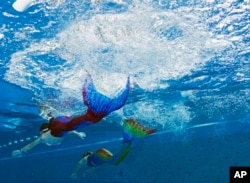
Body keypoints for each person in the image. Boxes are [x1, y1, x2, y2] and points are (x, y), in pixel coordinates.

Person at [12, 74, 130, 157]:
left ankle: (90, 100)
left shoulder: (43, 138)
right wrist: (78, 134)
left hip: (62, 125)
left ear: (44, 130)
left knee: (89, 118)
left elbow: (31, 145)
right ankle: (50, 103)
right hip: (62, 124)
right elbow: (68, 129)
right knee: (71, 119)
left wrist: (21, 151)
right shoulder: (54, 126)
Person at [70, 118, 156, 179]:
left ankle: (128, 131)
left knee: (115, 160)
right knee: (116, 157)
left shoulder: (87, 160)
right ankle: (131, 135)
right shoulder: (93, 165)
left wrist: (75, 173)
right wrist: (85, 173)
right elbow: (92, 169)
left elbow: (80, 162)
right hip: (102, 154)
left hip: (99, 153)